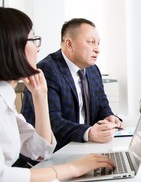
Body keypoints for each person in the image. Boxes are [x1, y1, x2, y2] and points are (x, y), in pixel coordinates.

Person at [0, 8, 115, 182]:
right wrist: (72, 168)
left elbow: (41, 151)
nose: (38, 48)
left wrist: (40, 95)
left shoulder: (6, 97)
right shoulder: (49, 68)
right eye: (33, 39)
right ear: (12, 45)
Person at [21, 18, 122, 152]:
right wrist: (89, 133)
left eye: (98, 43)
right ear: (69, 44)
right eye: (91, 42)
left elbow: (102, 105)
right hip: (51, 153)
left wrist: (109, 117)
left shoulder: (93, 70)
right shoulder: (48, 70)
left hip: (82, 147)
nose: (97, 49)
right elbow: (53, 122)